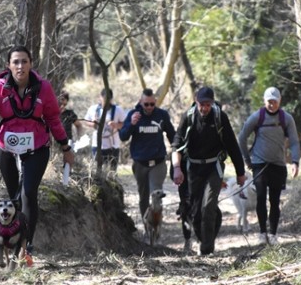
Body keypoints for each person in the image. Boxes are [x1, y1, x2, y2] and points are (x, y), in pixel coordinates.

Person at [0, 45, 75, 265]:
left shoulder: (44, 88)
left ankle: (26, 248)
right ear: (9, 66)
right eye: (16, 62)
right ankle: (12, 241)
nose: (20, 66)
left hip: (37, 146)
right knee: (15, 199)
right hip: (7, 147)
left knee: (28, 193)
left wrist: (66, 148)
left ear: (31, 64)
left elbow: (53, 120)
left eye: (24, 61)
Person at [171, 87, 246, 256]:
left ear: (212, 103)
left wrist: (240, 173)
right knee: (196, 211)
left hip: (214, 167)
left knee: (209, 206)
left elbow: (232, 146)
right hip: (194, 168)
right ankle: (204, 238)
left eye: (208, 104)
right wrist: (176, 169)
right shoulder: (188, 117)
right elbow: (176, 145)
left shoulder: (220, 117)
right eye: (201, 104)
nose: (204, 108)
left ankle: (207, 249)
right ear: (195, 101)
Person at [238, 86, 300, 245]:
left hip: (278, 165)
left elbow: (293, 141)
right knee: (260, 198)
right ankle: (262, 233)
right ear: (264, 101)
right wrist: (247, 159)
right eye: (269, 102)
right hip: (259, 164)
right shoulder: (257, 117)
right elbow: (242, 137)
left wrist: (295, 161)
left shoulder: (286, 118)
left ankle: (272, 234)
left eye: (275, 102)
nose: (272, 105)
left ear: (279, 101)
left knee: (275, 199)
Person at [119, 88, 176, 225]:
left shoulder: (162, 115)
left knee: (156, 194)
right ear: (141, 102)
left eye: (152, 104)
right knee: (143, 197)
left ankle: (156, 226)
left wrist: (177, 150)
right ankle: (147, 227)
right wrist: (131, 124)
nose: (149, 107)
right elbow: (123, 136)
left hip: (158, 162)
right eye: (146, 104)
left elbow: (172, 134)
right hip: (140, 163)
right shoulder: (134, 115)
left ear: (155, 102)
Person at [83, 88, 126, 172]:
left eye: (108, 100)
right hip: (97, 144)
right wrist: (93, 124)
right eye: (104, 99)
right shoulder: (93, 109)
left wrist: (116, 125)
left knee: (112, 171)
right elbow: (85, 121)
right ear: (100, 97)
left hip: (113, 145)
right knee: (97, 169)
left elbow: (124, 124)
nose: (106, 102)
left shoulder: (118, 110)